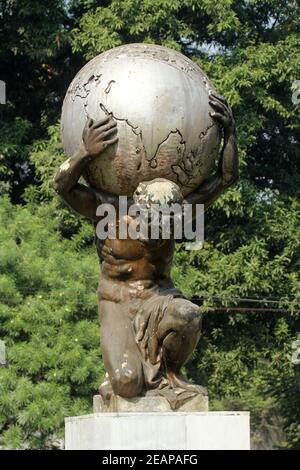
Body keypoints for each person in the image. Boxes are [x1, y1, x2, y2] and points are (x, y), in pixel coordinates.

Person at [53, 92, 238, 409]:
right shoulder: (107, 212)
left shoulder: (177, 214)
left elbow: (226, 177)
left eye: (166, 227)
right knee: (126, 383)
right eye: (152, 224)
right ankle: (122, 374)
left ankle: (172, 376)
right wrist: (85, 152)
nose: (160, 233)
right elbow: (62, 186)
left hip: (158, 295)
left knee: (190, 314)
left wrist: (230, 134)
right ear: (137, 207)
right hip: (117, 300)